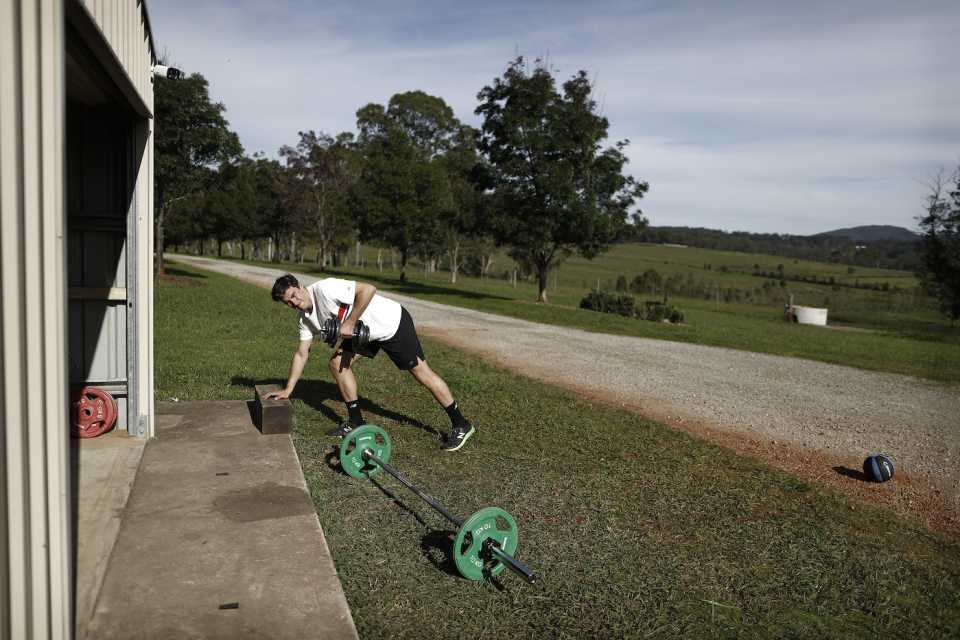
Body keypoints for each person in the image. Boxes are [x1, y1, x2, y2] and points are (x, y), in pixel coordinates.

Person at [265, 273, 476, 451]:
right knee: (337, 365)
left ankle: (461, 423)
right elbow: (302, 353)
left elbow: (368, 289)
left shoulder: (325, 289)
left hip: (391, 323)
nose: (293, 303)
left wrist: (350, 322)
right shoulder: (305, 319)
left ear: (300, 286)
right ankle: (356, 422)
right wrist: (289, 389)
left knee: (421, 373)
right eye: (288, 302)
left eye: (294, 296)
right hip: (364, 333)